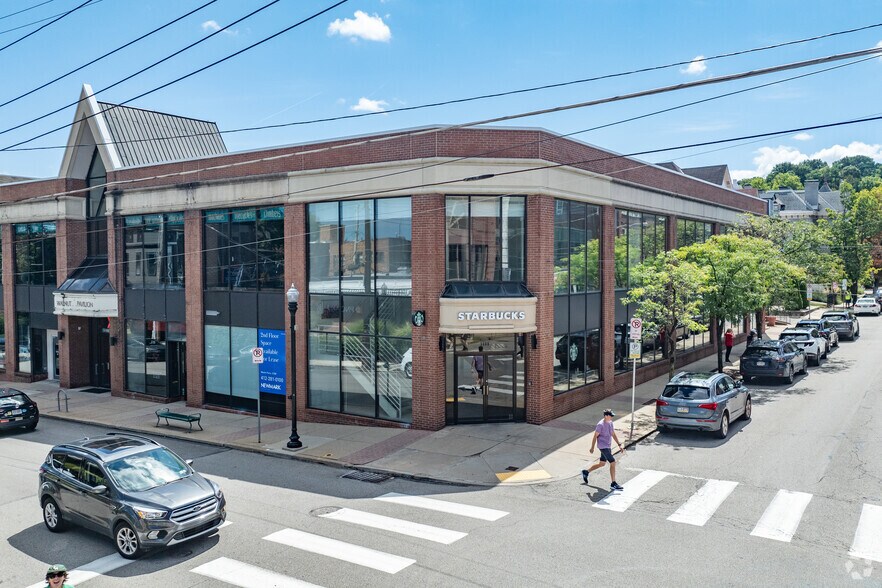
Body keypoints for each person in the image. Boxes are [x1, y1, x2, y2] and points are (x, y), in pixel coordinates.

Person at [581, 409, 625, 491]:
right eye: (610, 416)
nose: (612, 417)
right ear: (606, 416)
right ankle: (613, 483)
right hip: (602, 446)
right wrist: (592, 447)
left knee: (602, 463)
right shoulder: (600, 425)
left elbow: (613, 434)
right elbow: (595, 436)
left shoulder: (610, 423)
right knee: (612, 462)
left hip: (608, 446)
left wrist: (619, 445)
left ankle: (586, 472)